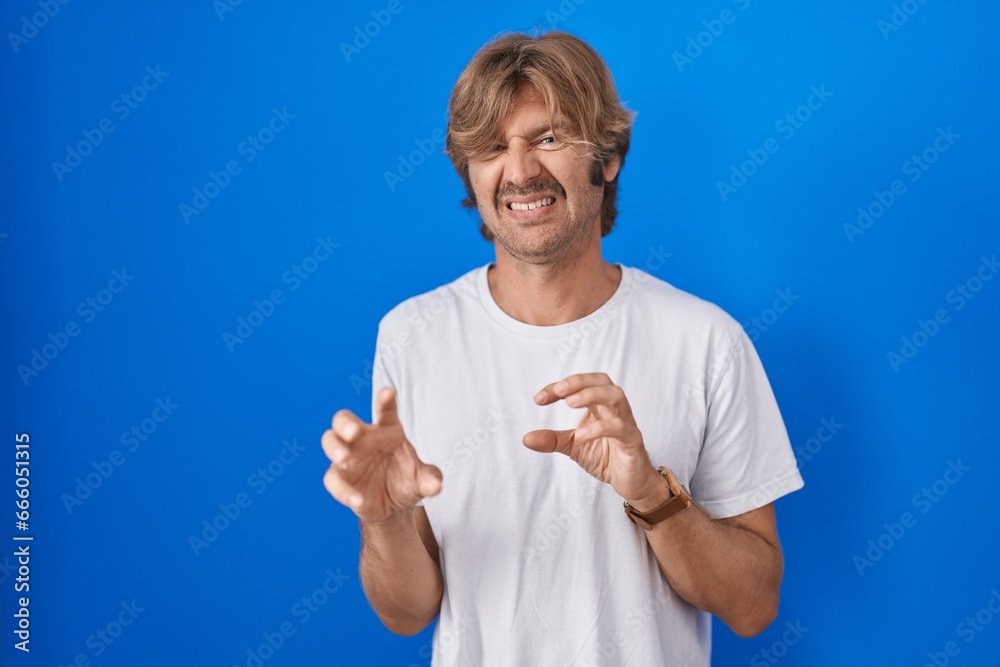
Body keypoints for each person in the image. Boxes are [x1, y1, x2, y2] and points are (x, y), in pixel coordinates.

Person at [322, 30, 804, 666]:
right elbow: (406, 613)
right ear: (469, 170)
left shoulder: (706, 339)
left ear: (607, 159)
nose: (520, 171)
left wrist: (653, 496)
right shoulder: (412, 334)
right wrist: (382, 519)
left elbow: (754, 607)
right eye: (492, 147)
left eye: (548, 139)